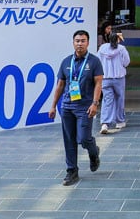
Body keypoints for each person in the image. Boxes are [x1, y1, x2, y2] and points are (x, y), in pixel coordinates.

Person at [49, 30, 103, 186]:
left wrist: (95, 103)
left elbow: (98, 83)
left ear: (88, 43)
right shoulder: (66, 62)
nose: (80, 43)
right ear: (73, 43)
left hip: (85, 107)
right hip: (67, 106)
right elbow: (60, 85)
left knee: (84, 138)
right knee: (69, 139)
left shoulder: (94, 62)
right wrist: (53, 106)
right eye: (77, 41)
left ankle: (93, 152)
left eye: (83, 41)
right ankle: (72, 170)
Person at [97, 33, 130, 134]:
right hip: (119, 78)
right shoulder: (121, 49)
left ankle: (105, 123)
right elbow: (126, 62)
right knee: (119, 98)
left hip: (105, 78)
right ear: (118, 39)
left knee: (107, 100)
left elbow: (98, 61)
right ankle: (119, 121)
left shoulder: (102, 48)